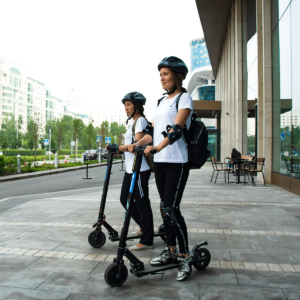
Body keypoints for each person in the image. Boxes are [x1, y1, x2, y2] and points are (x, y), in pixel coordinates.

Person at [129, 56, 196, 281]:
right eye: (160, 75)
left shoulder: (184, 98)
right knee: (163, 209)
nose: (162, 78)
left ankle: (185, 255)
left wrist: (158, 147)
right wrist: (138, 144)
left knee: (171, 209)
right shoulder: (161, 102)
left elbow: (176, 130)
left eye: (165, 74)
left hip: (177, 161)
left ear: (176, 76)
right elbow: (152, 132)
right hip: (161, 163)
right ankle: (171, 249)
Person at [106, 92, 154, 251]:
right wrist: (117, 149)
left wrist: (117, 147)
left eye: (128, 104)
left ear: (137, 106)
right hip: (130, 170)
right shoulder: (133, 122)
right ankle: (144, 226)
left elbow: (136, 148)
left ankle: (147, 239)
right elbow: (129, 147)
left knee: (142, 203)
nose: (126, 108)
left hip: (139, 170)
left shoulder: (140, 121)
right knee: (123, 198)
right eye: (125, 105)